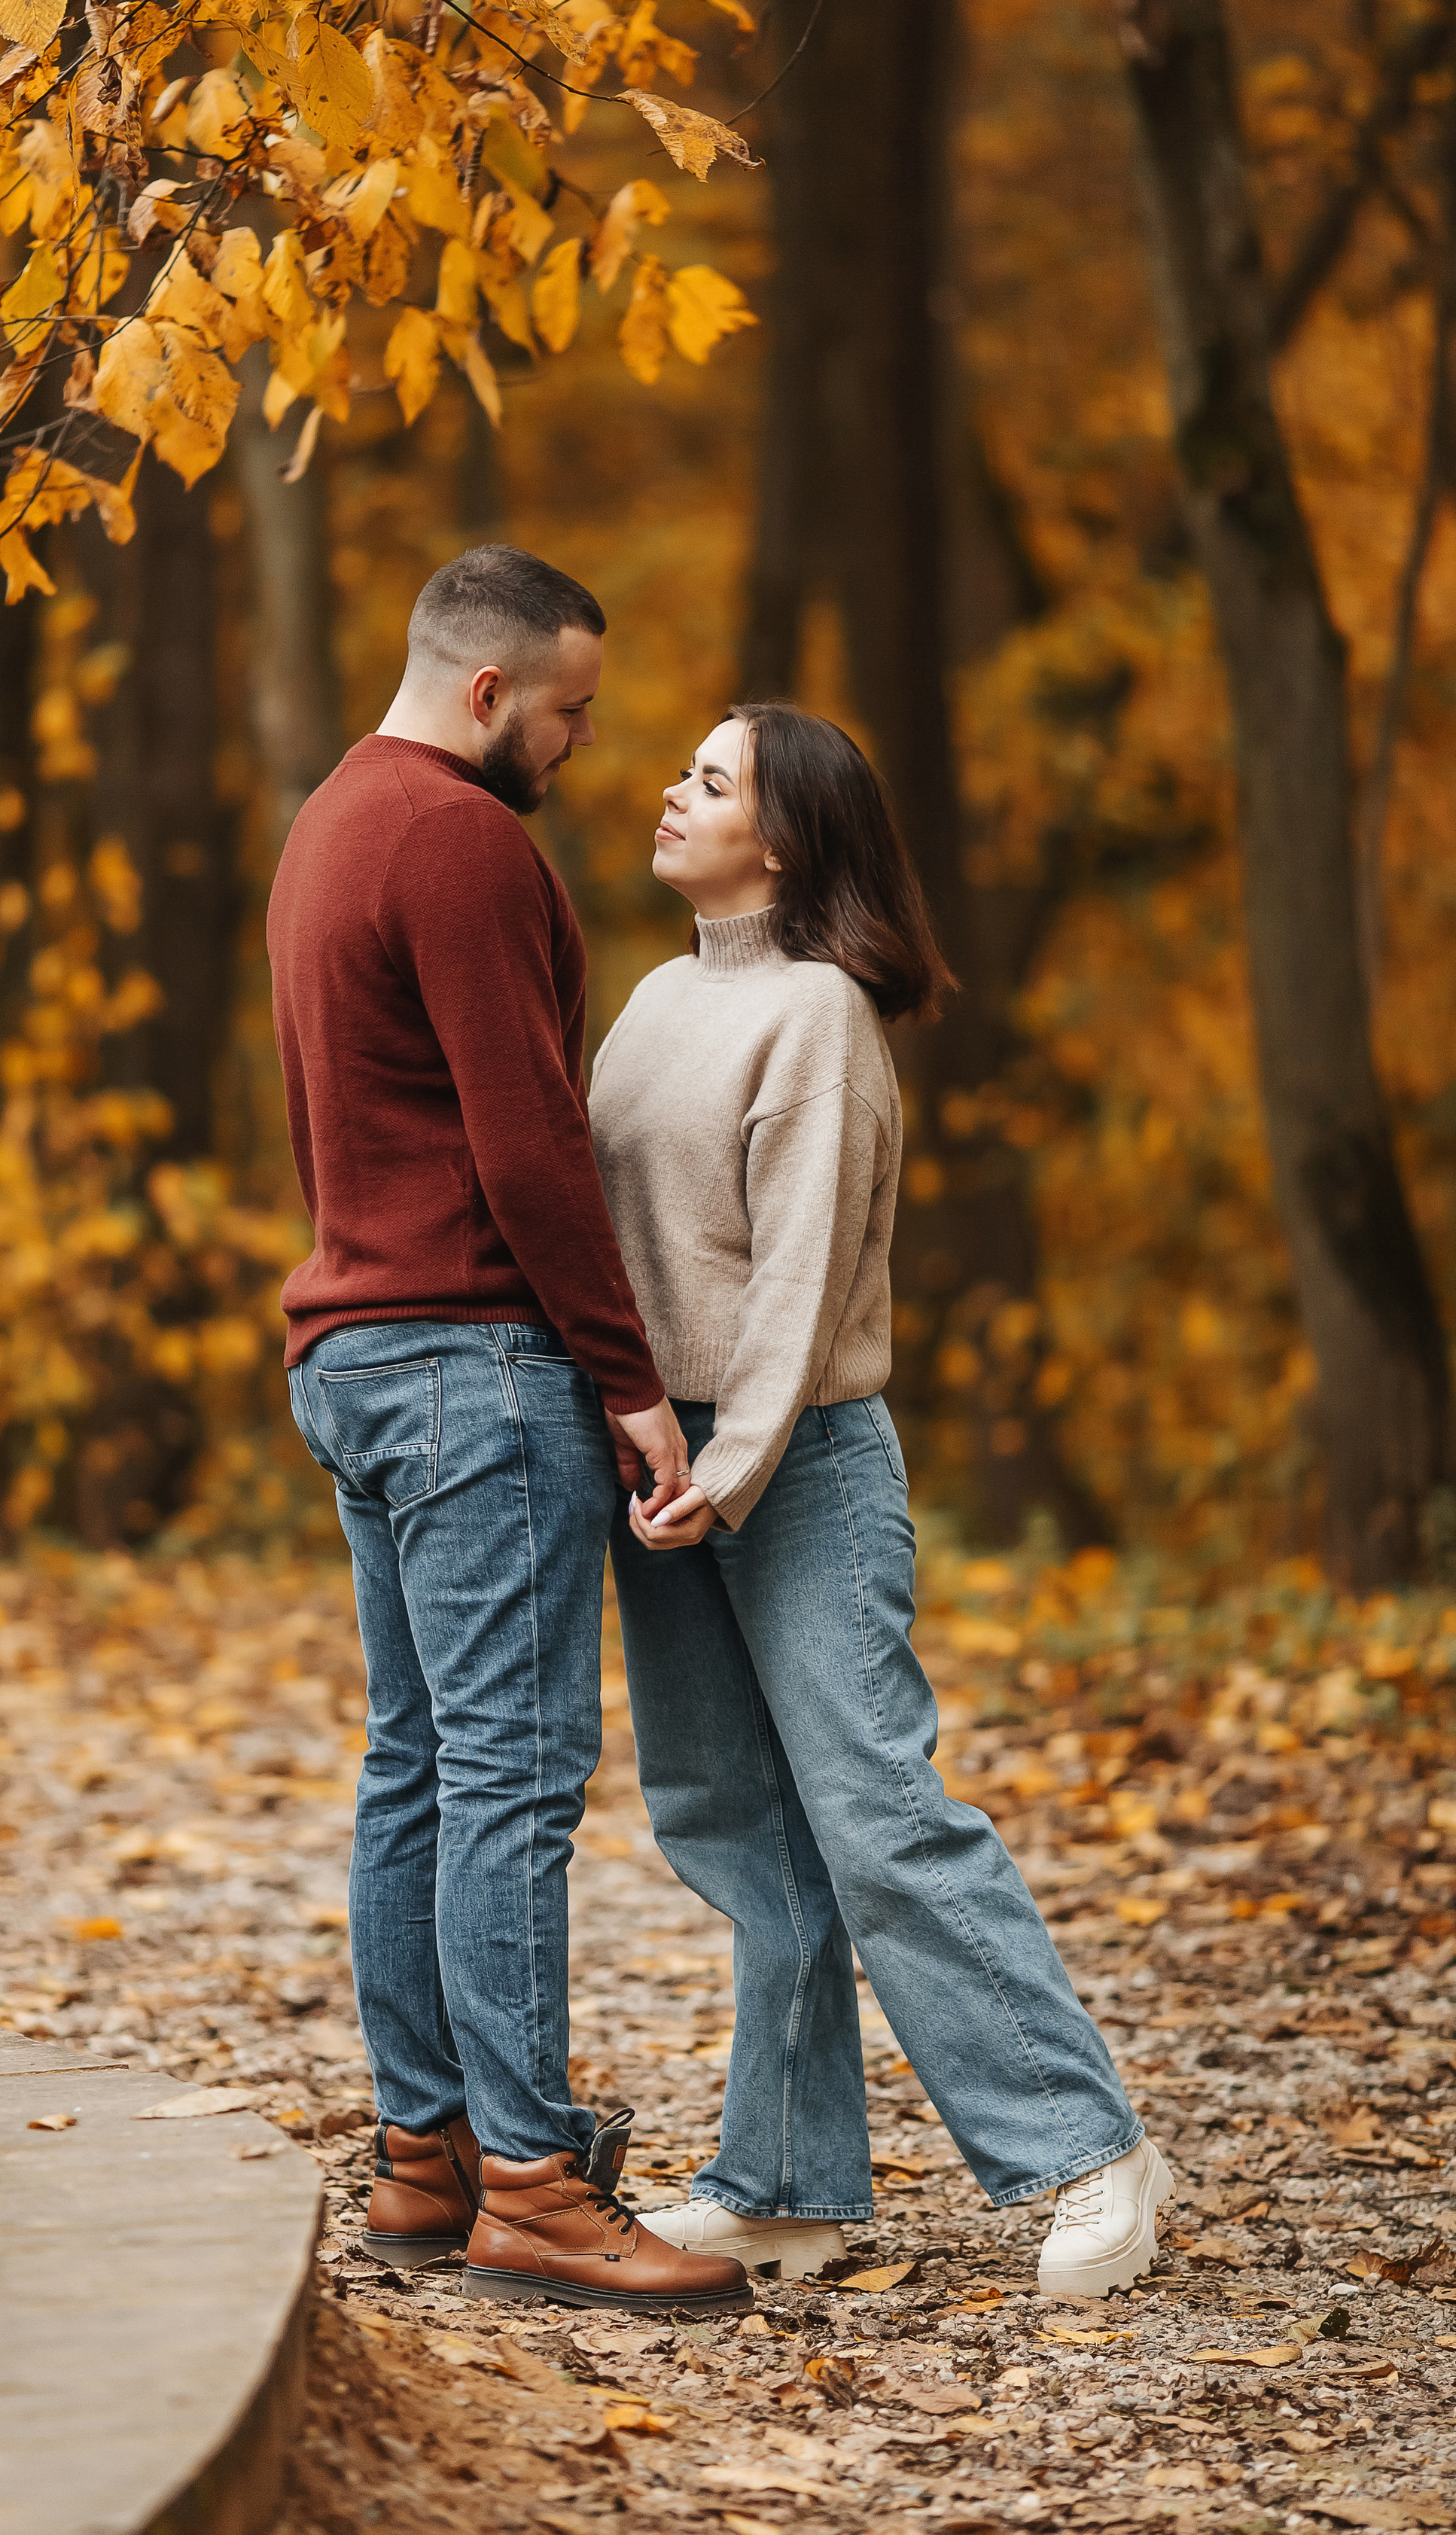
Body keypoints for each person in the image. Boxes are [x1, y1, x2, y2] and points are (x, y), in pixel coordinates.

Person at [587, 702, 1172, 2300]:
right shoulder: (652, 1001)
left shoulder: (819, 1018)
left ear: (782, 841)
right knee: (727, 1817)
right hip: (661, 1460)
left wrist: (728, 1468)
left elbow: (796, 1280)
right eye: (683, 770)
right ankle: (785, 2182)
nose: (670, 791)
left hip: (797, 1462)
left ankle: (1089, 2150)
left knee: (875, 1815)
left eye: (710, 780)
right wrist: (635, 1436)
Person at [268, 544, 750, 2314]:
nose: (582, 741)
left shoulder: (331, 822)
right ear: (486, 692)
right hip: (470, 1362)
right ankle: (534, 2186)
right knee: (508, 1774)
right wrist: (626, 1380)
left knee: (416, 1762)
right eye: (567, 710)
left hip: (356, 1354)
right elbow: (526, 1138)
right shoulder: (460, 841)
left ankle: (431, 2152)